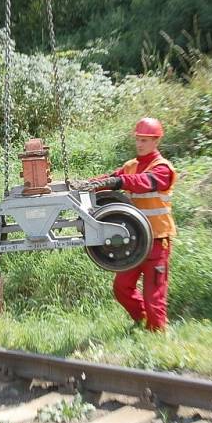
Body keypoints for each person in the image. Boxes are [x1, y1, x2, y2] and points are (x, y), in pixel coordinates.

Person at [74, 117, 176, 331]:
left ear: (156, 141)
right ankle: (142, 321)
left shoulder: (163, 168)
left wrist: (120, 182)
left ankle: (157, 336)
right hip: (136, 241)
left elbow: (145, 183)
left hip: (158, 241)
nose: (139, 144)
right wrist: (86, 185)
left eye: (145, 140)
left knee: (154, 296)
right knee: (122, 288)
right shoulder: (131, 166)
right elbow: (110, 179)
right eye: (138, 139)